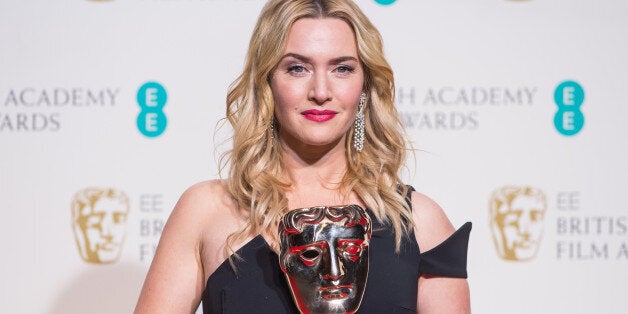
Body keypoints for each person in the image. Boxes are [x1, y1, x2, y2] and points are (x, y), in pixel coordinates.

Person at [135, 0, 471, 313]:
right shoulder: (206, 212)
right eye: (297, 68)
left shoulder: (418, 223)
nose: (321, 92)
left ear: (364, 86)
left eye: (342, 69)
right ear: (267, 82)